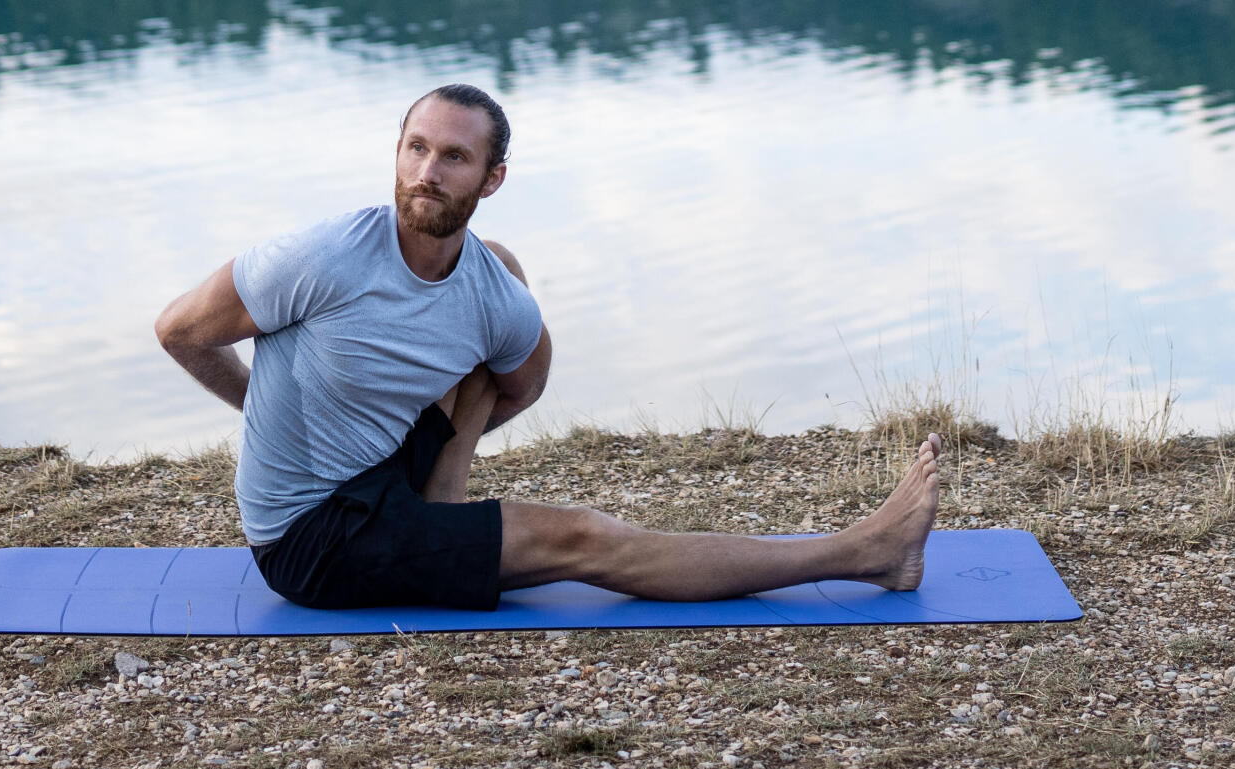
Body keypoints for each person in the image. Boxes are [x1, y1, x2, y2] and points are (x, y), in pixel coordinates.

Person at [154, 82, 941, 612]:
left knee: (501, 272)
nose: (427, 173)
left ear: (491, 179)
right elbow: (179, 330)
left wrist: (441, 452)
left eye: (454, 157)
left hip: (385, 476)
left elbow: (521, 382)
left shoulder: (493, 297)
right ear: (395, 151)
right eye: (416, 148)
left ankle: (441, 508)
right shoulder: (318, 258)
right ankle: (861, 553)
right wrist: (259, 409)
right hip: (312, 537)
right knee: (582, 539)